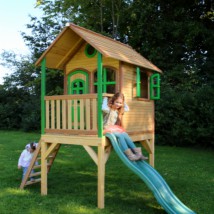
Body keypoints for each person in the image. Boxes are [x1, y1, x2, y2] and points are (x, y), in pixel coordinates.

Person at [102, 92, 148, 161]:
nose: (118, 104)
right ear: (113, 101)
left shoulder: (118, 111)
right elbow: (103, 108)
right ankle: (130, 155)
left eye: (120, 103)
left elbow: (127, 108)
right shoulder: (108, 109)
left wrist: (123, 102)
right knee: (120, 136)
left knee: (124, 134)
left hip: (114, 128)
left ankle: (138, 154)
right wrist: (105, 98)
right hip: (106, 128)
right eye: (117, 102)